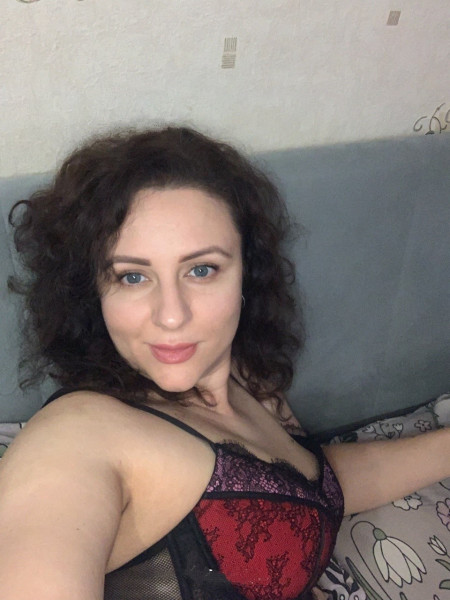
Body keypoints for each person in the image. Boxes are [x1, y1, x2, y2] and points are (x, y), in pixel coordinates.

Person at [0, 126, 448, 600]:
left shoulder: (247, 380)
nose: (171, 315)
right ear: (93, 291)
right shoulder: (74, 439)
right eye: (132, 276)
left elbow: (311, 488)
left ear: (245, 273)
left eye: (201, 270)